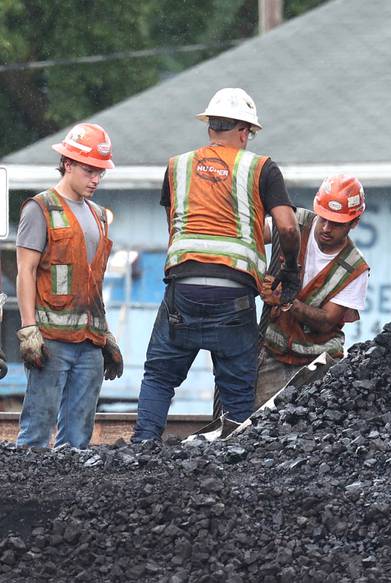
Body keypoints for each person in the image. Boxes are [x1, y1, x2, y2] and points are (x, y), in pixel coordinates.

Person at [132, 88, 300, 442]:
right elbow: (287, 227)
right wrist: (290, 272)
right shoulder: (260, 168)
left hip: (184, 289)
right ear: (244, 130)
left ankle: (143, 448)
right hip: (233, 296)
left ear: (210, 126)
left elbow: (176, 226)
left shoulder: (178, 167)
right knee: (237, 386)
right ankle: (232, 455)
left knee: (160, 375)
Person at [15, 123, 123, 449]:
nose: (96, 179)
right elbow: (25, 272)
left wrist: (106, 334)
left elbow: (92, 281)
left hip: (90, 344)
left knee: (78, 440)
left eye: (100, 172)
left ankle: (69, 500)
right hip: (50, 341)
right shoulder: (41, 209)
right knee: (36, 431)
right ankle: (22, 496)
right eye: (90, 170)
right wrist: (29, 329)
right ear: (68, 164)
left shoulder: (101, 217)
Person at [256, 174, 370, 407]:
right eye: (324, 218)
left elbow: (327, 321)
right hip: (273, 352)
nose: (326, 228)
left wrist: (285, 301)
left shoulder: (354, 268)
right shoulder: (292, 223)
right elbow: (253, 237)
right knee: (254, 421)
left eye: (337, 224)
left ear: (354, 222)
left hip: (318, 363)